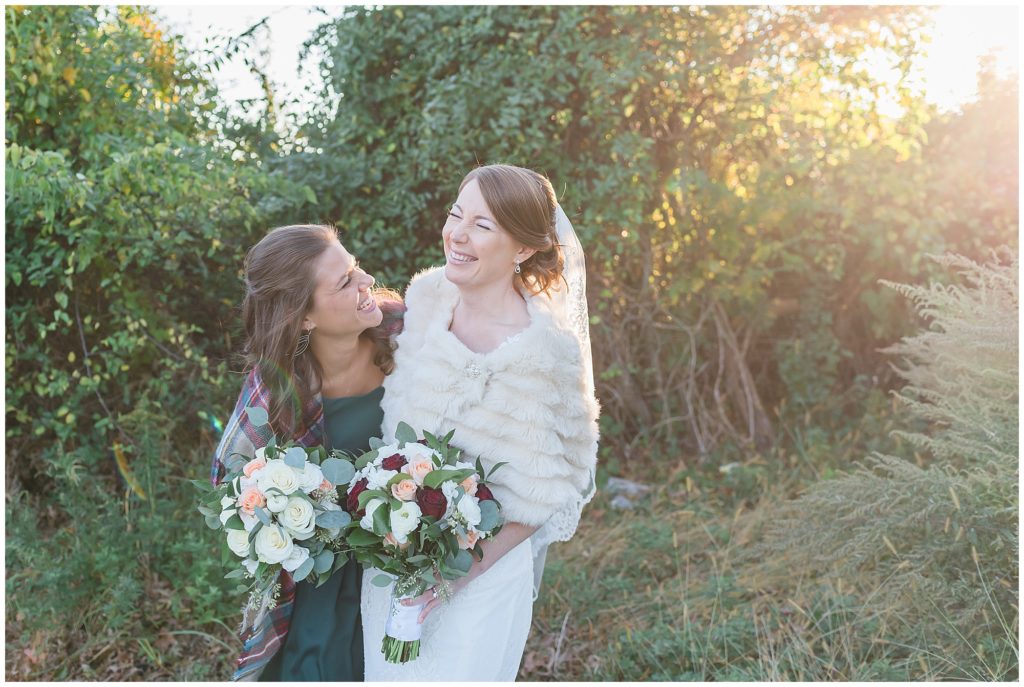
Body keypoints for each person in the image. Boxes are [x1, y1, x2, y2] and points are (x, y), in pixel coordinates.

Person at [361, 164, 599, 681]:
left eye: (483, 225)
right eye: (455, 214)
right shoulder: (425, 302)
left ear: (523, 248)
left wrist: (448, 578)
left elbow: (548, 491)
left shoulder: (546, 355)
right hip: (391, 571)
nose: (457, 235)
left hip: (481, 584)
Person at [210, 224, 404, 681]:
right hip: (325, 575)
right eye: (345, 282)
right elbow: (230, 484)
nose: (367, 281)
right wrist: (285, 514)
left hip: (406, 560)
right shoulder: (276, 390)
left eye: (355, 267)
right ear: (303, 317)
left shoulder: (410, 333)